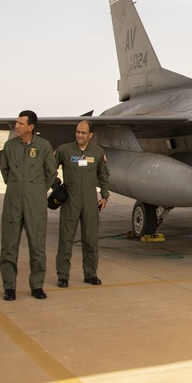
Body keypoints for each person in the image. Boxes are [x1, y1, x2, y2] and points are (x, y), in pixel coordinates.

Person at [0, 110, 56, 301]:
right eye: (16, 122)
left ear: (31, 127)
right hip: (13, 201)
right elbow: (5, 171)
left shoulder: (44, 146)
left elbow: (51, 173)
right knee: (9, 245)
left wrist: (37, 190)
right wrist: (17, 187)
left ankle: (37, 285)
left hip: (35, 203)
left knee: (37, 245)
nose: (17, 126)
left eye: (21, 124)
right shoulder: (9, 146)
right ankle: (9, 287)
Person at [54, 121, 110, 287]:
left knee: (91, 240)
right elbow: (50, 169)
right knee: (66, 240)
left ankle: (90, 274)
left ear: (90, 135)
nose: (79, 135)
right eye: (78, 132)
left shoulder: (98, 152)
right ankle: (63, 276)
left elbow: (103, 175)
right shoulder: (64, 150)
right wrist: (56, 187)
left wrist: (105, 196)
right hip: (70, 201)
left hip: (90, 201)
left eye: (83, 133)